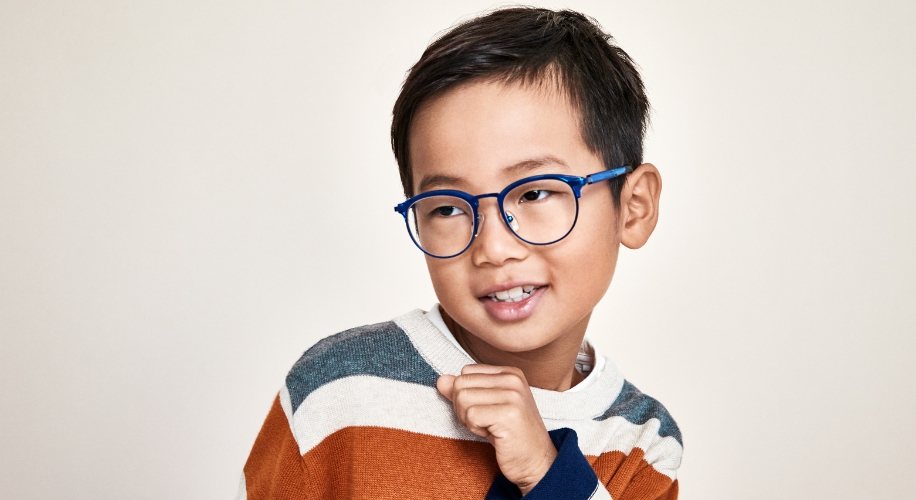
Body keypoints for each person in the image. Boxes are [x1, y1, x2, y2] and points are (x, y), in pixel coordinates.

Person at [238, 7, 682, 500]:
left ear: (634, 207)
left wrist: (546, 473)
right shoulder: (341, 391)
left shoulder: (642, 443)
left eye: (535, 194)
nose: (493, 247)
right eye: (448, 208)